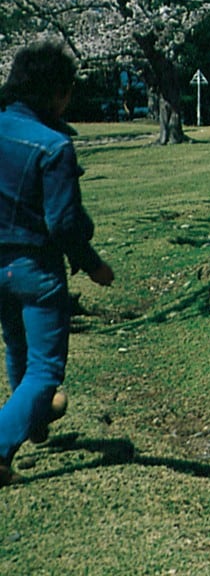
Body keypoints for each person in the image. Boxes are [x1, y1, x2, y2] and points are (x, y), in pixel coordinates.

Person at [0, 40, 114, 486]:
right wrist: (93, 265)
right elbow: (64, 223)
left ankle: (32, 420)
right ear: (55, 92)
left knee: (17, 347)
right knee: (46, 368)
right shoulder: (54, 146)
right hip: (34, 268)